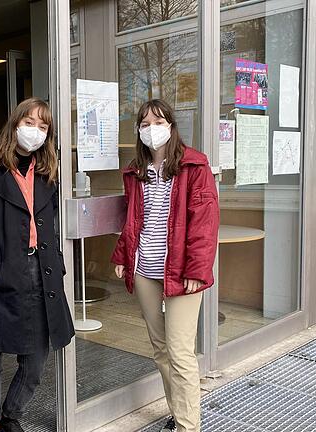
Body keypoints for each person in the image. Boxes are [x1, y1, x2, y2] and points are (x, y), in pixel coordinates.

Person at [0, 97, 75, 432]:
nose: (35, 131)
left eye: (42, 126)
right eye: (29, 122)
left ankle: (12, 413)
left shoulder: (46, 175)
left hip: (42, 275)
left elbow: (49, 228)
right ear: (14, 124)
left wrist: (58, 263)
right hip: (1, 274)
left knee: (36, 359)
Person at [112, 99, 219, 432]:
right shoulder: (135, 171)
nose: (151, 129)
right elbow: (133, 221)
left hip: (183, 272)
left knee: (180, 351)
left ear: (171, 126)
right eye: (144, 124)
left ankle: (189, 427)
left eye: (158, 122)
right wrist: (122, 254)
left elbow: (205, 224)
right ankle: (178, 413)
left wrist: (196, 271)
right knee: (160, 349)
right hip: (146, 269)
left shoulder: (194, 166)